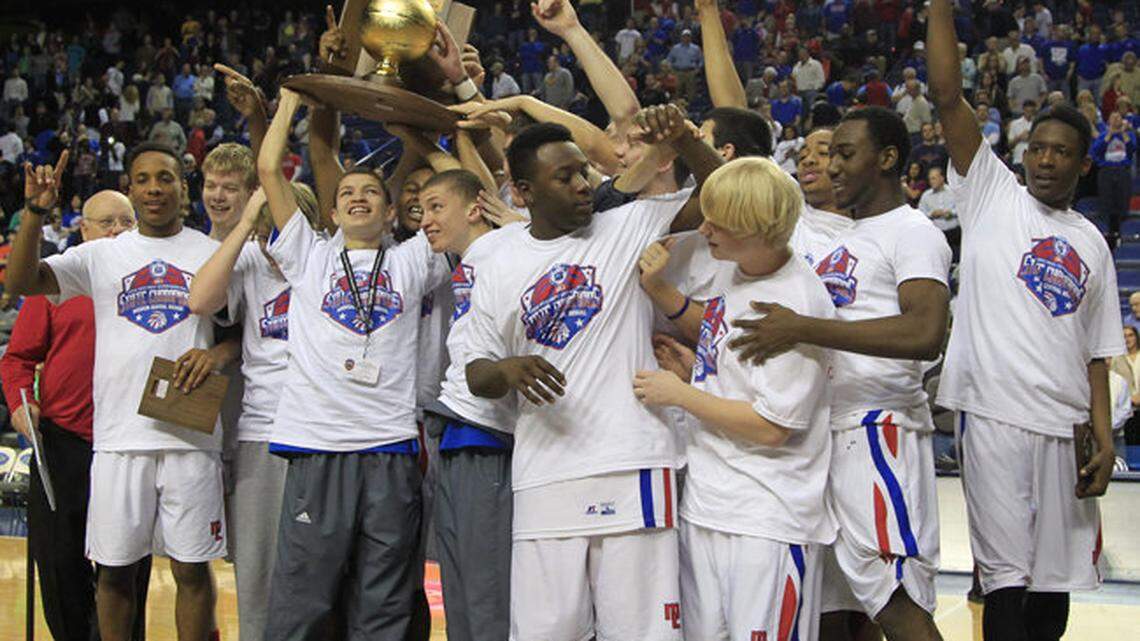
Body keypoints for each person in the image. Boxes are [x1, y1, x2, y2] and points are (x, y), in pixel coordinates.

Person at [463, 117, 713, 641]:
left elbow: (723, 196)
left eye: (584, 172)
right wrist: (507, 370)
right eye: (565, 177)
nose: (583, 185)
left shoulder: (630, 224)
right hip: (543, 474)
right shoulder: (497, 259)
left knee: (643, 633)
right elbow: (476, 369)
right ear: (523, 191)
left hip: (633, 462)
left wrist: (686, 140)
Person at [928, 3, 1124, 641]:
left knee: (1053, 590)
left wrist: (1103, 439)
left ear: (1081, 164)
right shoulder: (990, 193)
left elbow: (1097, 353)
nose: (1044, 160)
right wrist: (938, 7)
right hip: (994, 416)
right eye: (1037, 147)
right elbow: (948, 94)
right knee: (1006, 579)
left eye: (1060, 152)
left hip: (1067, 428)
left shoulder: (1093, 242)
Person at [730, 107, 951, 641]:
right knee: (833, 607)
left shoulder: (913, 232)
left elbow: (925, 333)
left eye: (845, 155)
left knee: (893, 599)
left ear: (889, 159)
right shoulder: (833, 234)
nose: (832, 169)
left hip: (878, 430)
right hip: (824, 434)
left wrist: (804, 328)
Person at [7, 143, 234, 641]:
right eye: (144, 178)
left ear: (183, 187)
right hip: (116, 439)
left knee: (193, 571)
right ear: (131, 187)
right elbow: (23, 280)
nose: (155, 188)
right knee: (112, 573)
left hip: (190, 437)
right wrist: (35, 213)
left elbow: (240, 329)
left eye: (166, 178)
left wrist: (216, 356)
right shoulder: (101, 256)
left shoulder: (211, 251)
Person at [256, 88, 449, 640]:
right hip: (318, 445)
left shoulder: (414, 260)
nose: (359, 197)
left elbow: (467, 193)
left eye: (371, 191)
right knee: (303, 596)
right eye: (347, 192)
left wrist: (418, 140)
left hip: (389, 446)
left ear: (392, 211)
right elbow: (270, 167)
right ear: (334, 211)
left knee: (384, 597)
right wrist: (289, 103)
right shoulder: (308, 255)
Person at [633, 157, 835, 641]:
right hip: (710, 501)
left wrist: (682, 394)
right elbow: (727, 337)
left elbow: (772, 425)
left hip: (767, 515)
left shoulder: (796, 303)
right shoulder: (738, 270)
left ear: (755, 228)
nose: (703, 230)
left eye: (717, 221)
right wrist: (665, 301)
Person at [0, 190, 151, 641]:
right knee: (60, 565)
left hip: (129, 443)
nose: (118, 230)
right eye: (106, 222)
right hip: (65, 444)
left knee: (128, 567)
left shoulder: (147, 284)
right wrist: (22, 406)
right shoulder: (55, 284)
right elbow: (18, 360)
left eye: (127, 221)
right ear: (81, 229)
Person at [186, 181, 320, 641]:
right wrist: (245, 225)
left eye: (277, 234)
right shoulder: (249, 261)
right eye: (264, 237)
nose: (271, 249)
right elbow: (200, 300)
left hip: (326, 432)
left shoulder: (327, 261)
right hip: (262, 428)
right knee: (257, 567)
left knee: (320, 568)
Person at [417, 169, 514, 641]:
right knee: (458, 583)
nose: (425, 220)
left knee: (484, 588)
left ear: (475, 208)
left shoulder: (505, 248)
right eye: (421, 210)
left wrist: (516, 223)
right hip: (457, 430)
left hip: (488, 437)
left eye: (436, 207)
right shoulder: (469, 261)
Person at [1092, 112, 1137, 235]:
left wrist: (1122, 132)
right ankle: (1108, 232)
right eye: (1114, 118)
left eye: (1119, 118)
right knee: (1107, 202)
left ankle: (1122, 231)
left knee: (1122, 202)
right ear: (1109, 121)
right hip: (1106, 171)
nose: (1117, 120)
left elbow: (1132, 148)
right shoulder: (1102, 136)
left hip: (1123, 170)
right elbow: (1096, 151)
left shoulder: (1129, 135)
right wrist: (1109, 134)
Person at [917, 166, 959, 257]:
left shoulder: (953, 191)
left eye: (934, 178)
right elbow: (920, 213)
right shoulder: (926, 195)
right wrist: (931, 214)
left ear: (942, 178)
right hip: (936, 235)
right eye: (930, 179)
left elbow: (961, 208)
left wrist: (950, 213)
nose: (931, 181)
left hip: (954, 234)